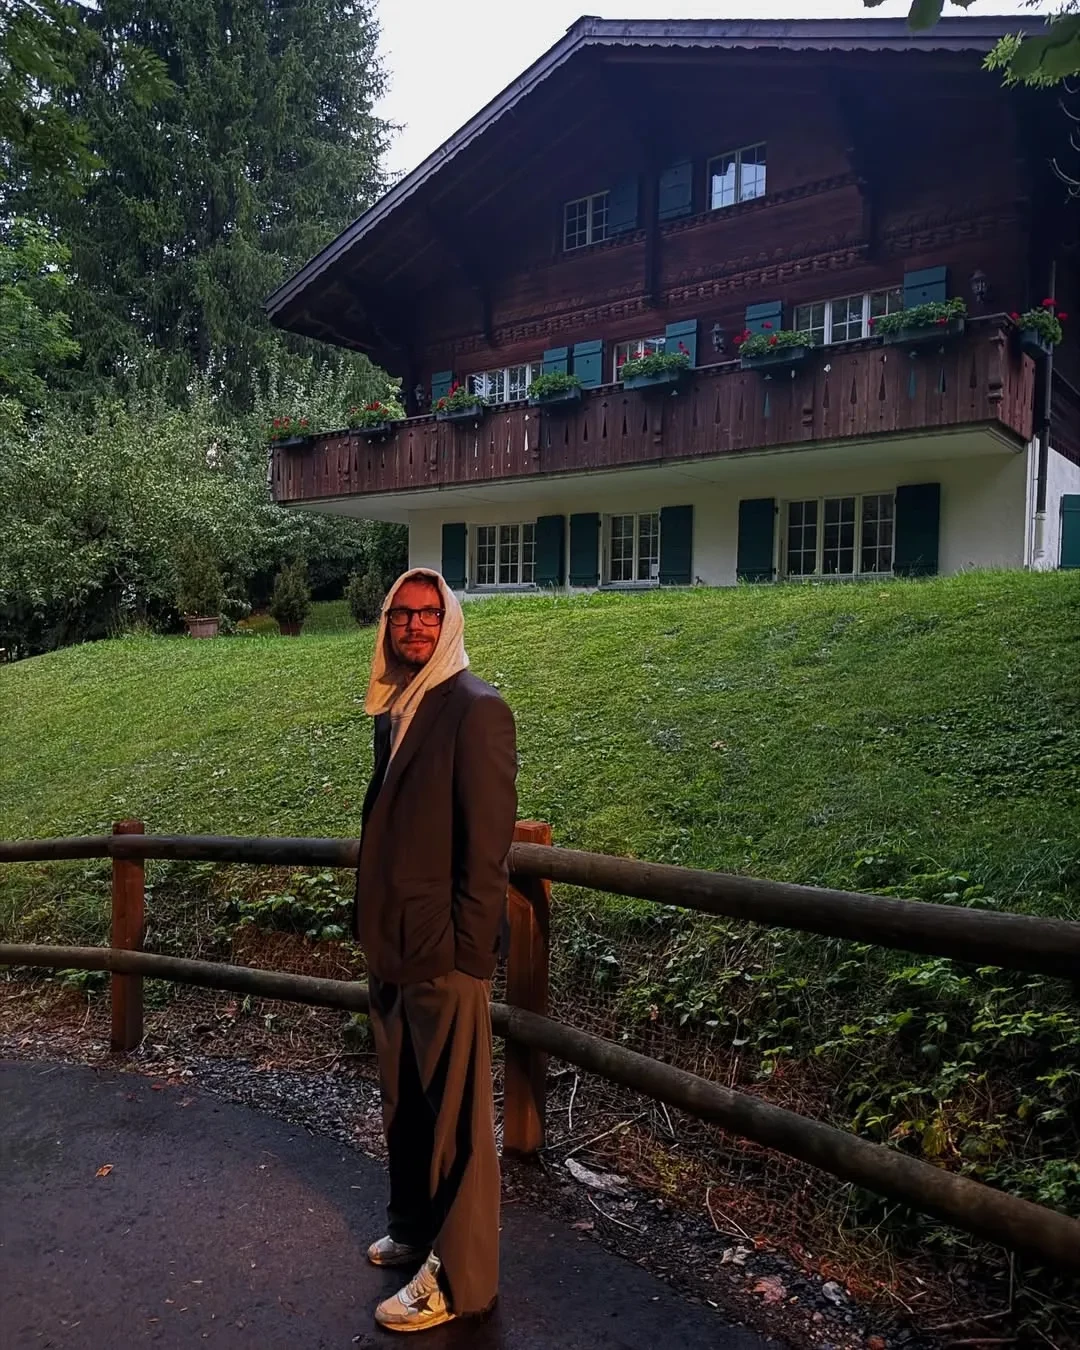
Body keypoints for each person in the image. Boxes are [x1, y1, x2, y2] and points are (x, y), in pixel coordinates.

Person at [354, 567, 518, 1334]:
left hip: (445, 954)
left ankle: (460, 1278)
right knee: (407, 1106)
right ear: (387, 625)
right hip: (391, 945)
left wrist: (470, 960)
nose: (414, 626)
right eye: (401, 614)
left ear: (448, 622)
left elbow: (486, 855)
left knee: (457, 1123)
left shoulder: (476, 709)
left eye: (428, 613)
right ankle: (415, 1229)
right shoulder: (395, 708)